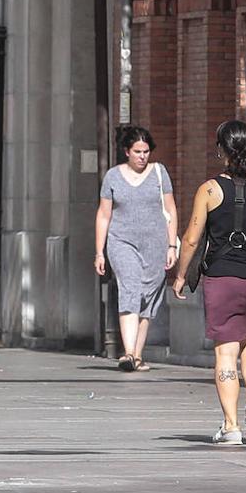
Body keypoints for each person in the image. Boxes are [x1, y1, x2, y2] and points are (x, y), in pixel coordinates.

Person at [173, 121, 246, 445]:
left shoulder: (209, 190)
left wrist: (181, 276)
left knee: (226, 353)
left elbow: (192, 238)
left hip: (221, 279)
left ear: (220, 150)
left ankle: (231, 425)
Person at [94, 126, 178, 372]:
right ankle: (128, 353)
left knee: (148, 298)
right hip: (121, 241)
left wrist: (172, 245)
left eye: (146, 151)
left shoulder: (159, 173)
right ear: (126, 152)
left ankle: (137, 355)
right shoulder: (113, 177)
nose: (143, 156)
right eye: (137, 151)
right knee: (130, 288)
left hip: (156, 243)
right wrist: (100, 251)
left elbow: (171, 210)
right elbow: (103, 215)